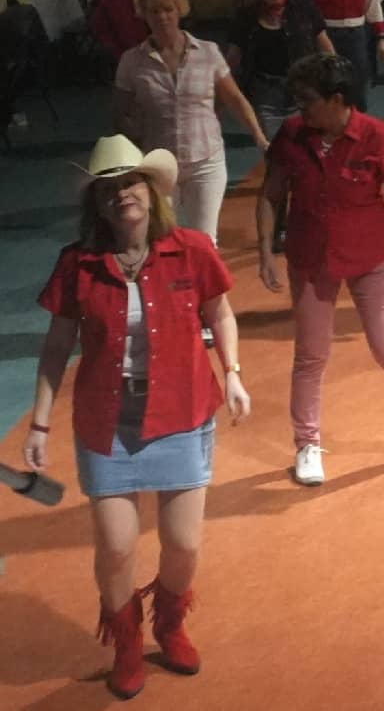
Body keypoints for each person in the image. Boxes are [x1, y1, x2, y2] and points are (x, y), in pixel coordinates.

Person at [27, 135, 250, 700]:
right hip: (108, 422)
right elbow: (57, 346)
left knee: (184, 545)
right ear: (98, 204)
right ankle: (127, 642)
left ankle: (169, 624)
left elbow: (220, 311)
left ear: (151, 191)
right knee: (118, 548)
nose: (122, 193)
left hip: (182, 412)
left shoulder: (192, 248)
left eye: (131, 182)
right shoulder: (77, 264)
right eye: (109, 188)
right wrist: (40, 422)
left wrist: (235, 373)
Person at [257, 53, 384, 487]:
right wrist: (266, 250)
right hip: (310, 261)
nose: (300, 109)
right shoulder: (292, 136)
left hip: (370, 260)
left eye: (308, 101)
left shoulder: (377, 138)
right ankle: (307, 444)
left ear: (337, 99)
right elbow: (271, 196)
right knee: (310, 356)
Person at [115, 0, 269, 243]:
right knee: (161, 238)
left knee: (205, 239)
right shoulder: (131, 61)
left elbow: (235, 99)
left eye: (168, 9)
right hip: (158, 166)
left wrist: (259, 137)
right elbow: (121, 114)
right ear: (144, 15)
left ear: (179, 11)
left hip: (206, 161)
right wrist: (133, 153)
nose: (162, 17)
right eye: (154, 11)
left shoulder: (208, 53)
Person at [225, 0, 332, 224]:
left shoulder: (305, 9)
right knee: (278, 161)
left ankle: (308, 216)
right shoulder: (247, 15)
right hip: (266, 94)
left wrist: (334, 79)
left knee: (310, 156)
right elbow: (233, 56)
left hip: (304, 94)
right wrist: (221, 88)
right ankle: (280, 224)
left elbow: (325, 46)